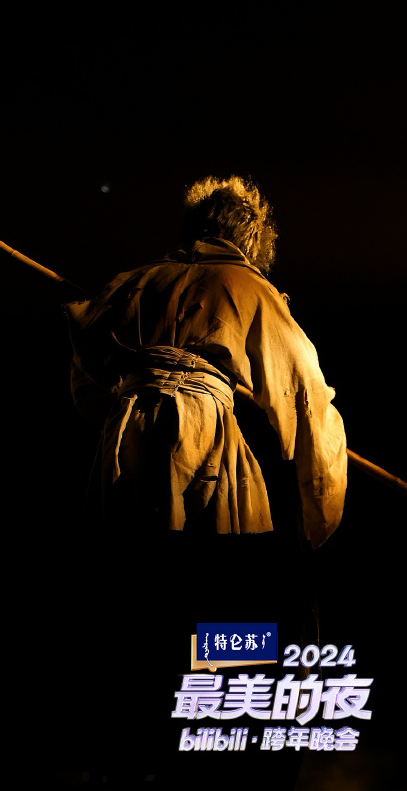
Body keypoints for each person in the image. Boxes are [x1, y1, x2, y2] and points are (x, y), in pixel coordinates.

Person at [65, 175, 348, 785]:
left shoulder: (136, 282)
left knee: (130, 594)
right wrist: (316, 513)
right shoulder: (251, 290)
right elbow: (307, 407)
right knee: (221, 591)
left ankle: (137, 735)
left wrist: (134, 396)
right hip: (204, 442)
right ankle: (209, 746)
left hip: (124, 448)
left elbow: (87, 376)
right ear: (252, 240)